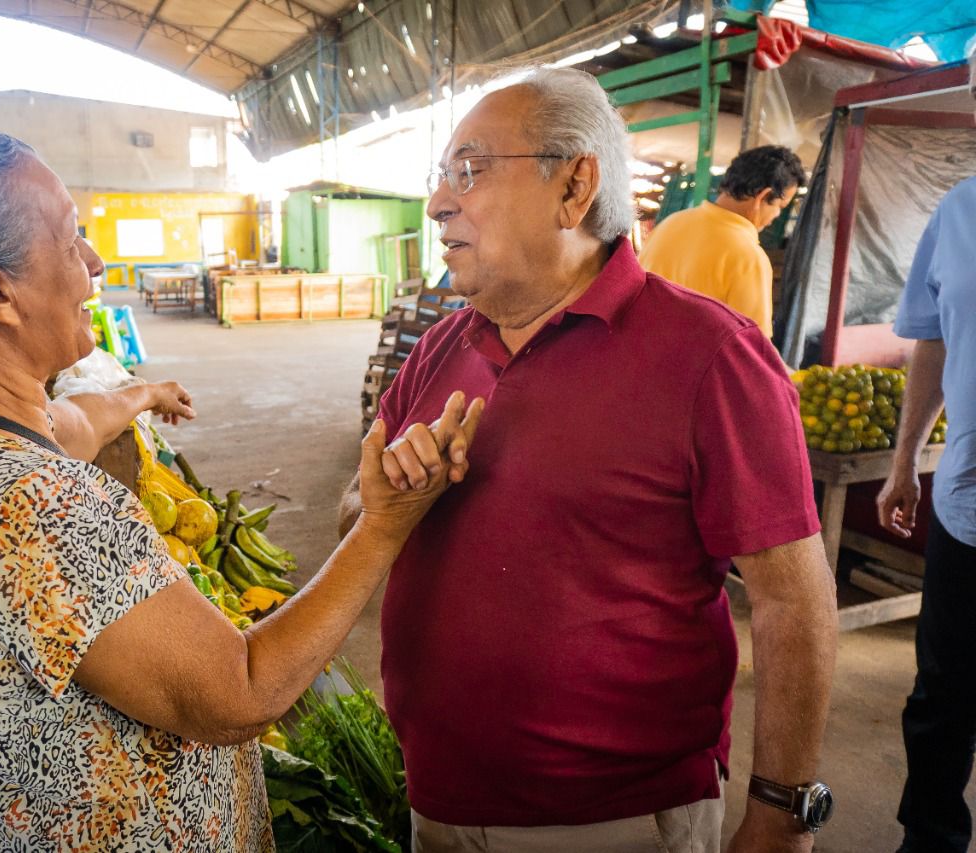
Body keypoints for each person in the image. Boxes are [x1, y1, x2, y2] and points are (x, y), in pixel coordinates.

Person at [0, 129, 481, 851]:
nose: (94, 262)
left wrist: (142, 396)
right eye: (69, 239)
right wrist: (383, 528)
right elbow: (241, 690)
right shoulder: (35, 503)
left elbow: (70, 423)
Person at [338, 68, 838, 852]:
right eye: (440, 176)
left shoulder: (713, 358)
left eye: (467, 170)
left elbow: (792, 599)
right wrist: (387, 494)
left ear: (574, 187)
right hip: (435, 797)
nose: (438, 203)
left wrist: (781, 811)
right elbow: (355, 516)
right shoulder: (443, 345)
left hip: (613, 823)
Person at [876, 47, 976, 853]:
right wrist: (906, 457)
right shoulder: (959, 213)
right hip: (967, 512)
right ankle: (930, 837)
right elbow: (933, 343)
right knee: (942, 694)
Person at [639, 145, 805, 338]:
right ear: (763, 197)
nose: (777, 215)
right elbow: (753, 350)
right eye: (780, 206)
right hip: (693, 367)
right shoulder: (748, 257)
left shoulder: (668, 225)